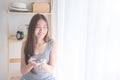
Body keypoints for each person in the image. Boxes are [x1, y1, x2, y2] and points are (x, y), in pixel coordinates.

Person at [20, 14, 57, 80]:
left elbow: (52, 70)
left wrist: (43, 65)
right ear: (32, 28)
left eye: (45, 27)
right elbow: (23, 71)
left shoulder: (52, 44)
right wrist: (31, 64)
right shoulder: (25, 44)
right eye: (38, 27)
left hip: (46, 78)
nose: (42, 30)